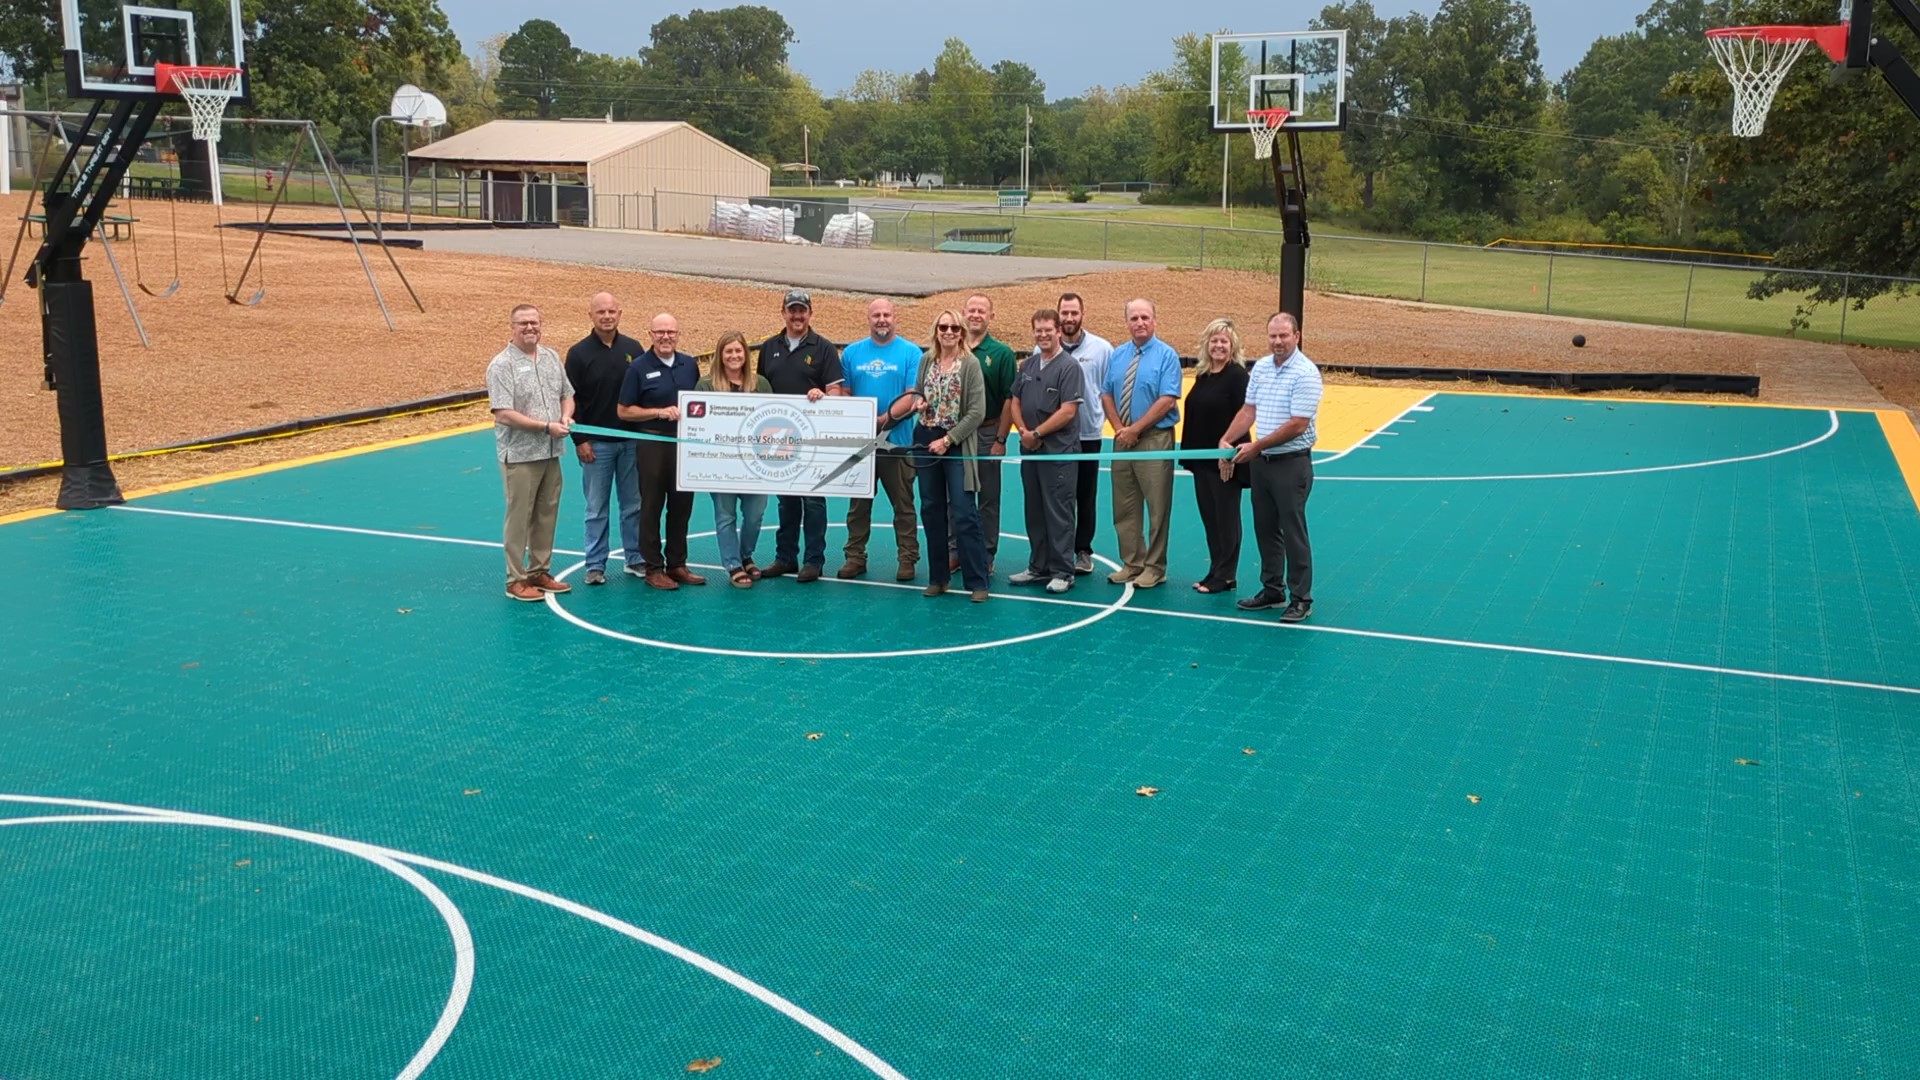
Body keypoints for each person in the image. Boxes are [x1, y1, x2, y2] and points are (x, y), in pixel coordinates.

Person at [1222, 312, 1322, 622]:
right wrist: (1226, 438)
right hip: (1262, 465)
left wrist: (1257, 446)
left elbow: (1297, 424)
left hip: (1291, 464)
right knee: (1265, 528)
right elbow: (1249, 410)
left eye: (1283, 336)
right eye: (1273, 336)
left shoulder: (1306, 373)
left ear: (1297, 336)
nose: (1277, 341)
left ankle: (1301, 597)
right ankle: (1272, 589)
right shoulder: (1262, 368)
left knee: (1293, 531)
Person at [486, 303, 574, 602]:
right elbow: (503, 413)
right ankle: (515, 579)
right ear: (512, 327)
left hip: (551, 452)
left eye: (534, 322)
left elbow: (567, 395)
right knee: (519, 517)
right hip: (521, 456)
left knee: (546, 514)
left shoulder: (551, 357)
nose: (530, 328)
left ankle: (539, 571)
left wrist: (565, 417)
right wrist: (544, 426)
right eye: (523, 323)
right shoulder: (501, 365)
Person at [756, 289, 845, 583]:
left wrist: (824, 394)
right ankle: (786, 558)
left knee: (814, 502)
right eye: (792, 310)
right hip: (779, 438)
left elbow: (835, 390)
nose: (797, 315)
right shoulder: (769, 347)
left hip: (813, 439)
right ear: (783, 312)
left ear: (810, 313)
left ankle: (813, 561)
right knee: (787, 501)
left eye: (802, 310)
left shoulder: (823, 348)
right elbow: (759, 388)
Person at [1099, 298, 1183, 589]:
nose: (1140, 323)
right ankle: (1132, 562)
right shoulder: (1118, 354)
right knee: (1124, 505)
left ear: (1155, 320)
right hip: (1123, 439)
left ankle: (1155, 567)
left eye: (1145, 317)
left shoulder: (1167, 355)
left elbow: (1167, 399)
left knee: (1157, 506)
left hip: (1153, 439)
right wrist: (1121, 429)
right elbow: (1107, 393)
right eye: (1134, 318)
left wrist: (1136, 428)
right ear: (1127, 322)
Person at [616, 313, 704, 590]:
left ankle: (677, 564)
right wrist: (658, 412)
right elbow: (624, 410)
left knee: (681, 506)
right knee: (651, 506)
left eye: (671, 332)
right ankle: (653, 567)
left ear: (678, 335)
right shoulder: (638, 368)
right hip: (653, 443)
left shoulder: (689, 365)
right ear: (650, 334)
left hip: (684, 445)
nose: (666, 337)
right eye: (660, 332)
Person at [564, 292, 645, 586]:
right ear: (591, 316)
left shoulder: (634, 349)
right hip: (595, 446)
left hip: (631, 443)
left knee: (633, 505)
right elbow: (571, 399)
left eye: (612, 311)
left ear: (620, 314)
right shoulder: (578, 354)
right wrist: (580, 439)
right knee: (596, 508)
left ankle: (635, 559)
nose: (607, 316)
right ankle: (595, 564)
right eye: (601, 312)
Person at [838, 298, 922, 581]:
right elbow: (845, 393)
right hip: (862, 445)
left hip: (898, 442)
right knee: (858, 505)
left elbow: (912, 396)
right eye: (876, 315)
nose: (882, 319)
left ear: (895, 317)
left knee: (904, 505)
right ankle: (855, 556)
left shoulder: (911, 353)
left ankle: (907, 558)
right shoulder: (851, 353)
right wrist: (860, 420)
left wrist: (881, 419)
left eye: (887, 314)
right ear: (868, 318)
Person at [912, 310, 992, 603]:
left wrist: (948, 440)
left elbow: (976, 412)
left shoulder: (970, 365)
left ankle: (978, 581)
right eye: (943, 327)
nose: (948, 332)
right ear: (936, 331)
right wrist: (918, 402)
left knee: (963, 511)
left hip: (955, 443)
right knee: (931, 509)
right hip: (924, 440)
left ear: (961, 332)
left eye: (954, 327)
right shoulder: (925, 360)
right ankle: (938, 577)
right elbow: (918, 394)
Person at [1007, 309, 1085, 594]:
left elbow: (1068, 411)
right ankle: (1038, 567)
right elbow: (1014, 401)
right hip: (1030, 451)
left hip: (1058, 453)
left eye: (1047, 330)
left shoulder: (1069, 367)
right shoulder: (1028, 366)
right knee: (1034, 510)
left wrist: (1038, 434)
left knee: (1059, 511)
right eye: (1038, 330)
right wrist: (1025, 433)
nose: (1043, 335)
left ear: (1059, 332)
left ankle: (1063, 571)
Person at [695, 331, 772, 588]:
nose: (734, 356)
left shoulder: (761, 384)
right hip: (721, 464)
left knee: (755, 514)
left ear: (746, 355)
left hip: (755, 465)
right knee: (725, 515)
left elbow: (771, 421)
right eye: (728, 351)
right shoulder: (705, 385)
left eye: (738, 351)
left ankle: (746, 554)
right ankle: (733, 564)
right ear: (720, 355)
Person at [1181, 318, 1251, 595]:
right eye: (1214, 340)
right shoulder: (1203, 375)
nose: (1219, 345)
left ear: (1232, 346)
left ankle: (1226, 574)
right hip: (1202, 459)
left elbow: (1244, 416)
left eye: (1224, 341)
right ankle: (1215, 569)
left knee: (1226, 517)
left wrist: (1228, 451)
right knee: (1210, 517)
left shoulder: (1237, 376)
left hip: (1226, 461)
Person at [957, 293, 1018, 573]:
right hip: (956, 434)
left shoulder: (1001, 353)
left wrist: (1000, 439)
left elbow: (1010, 399)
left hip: (987, 431)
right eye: (972, 310)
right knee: (955, 494)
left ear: (991, 316)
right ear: (963, 313)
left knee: (988, 498)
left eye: (982, 311)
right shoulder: (951, 346)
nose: (976, 315)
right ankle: (954, 550)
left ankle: (986, 553)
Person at [1057, 292, 1112, 576]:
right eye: (1064, 313)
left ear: (1082, 314)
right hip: (1056, 437)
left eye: (1073, 313)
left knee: (1085, 495)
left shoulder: (1102, 349)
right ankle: (1060, 548)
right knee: (1058, 495)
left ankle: (1082, 550)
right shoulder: (1045, 347)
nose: (1069, 318)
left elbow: (1108, 390)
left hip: (1088, 435)